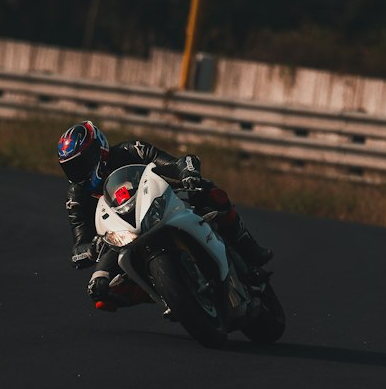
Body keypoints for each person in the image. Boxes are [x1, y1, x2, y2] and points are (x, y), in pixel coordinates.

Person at [56, 119, 273, 311]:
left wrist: (187, 173)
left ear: (98, 150)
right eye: (71, 168)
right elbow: (78, 245)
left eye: (81, 163)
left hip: (160, 204)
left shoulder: (131, 150)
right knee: (100, 293)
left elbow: (173, 162)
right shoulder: (77, 196)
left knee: (212, 193)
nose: (78, 172)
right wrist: (90, 248)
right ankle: (164, 293)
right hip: (121, 240)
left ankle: (249, 249)